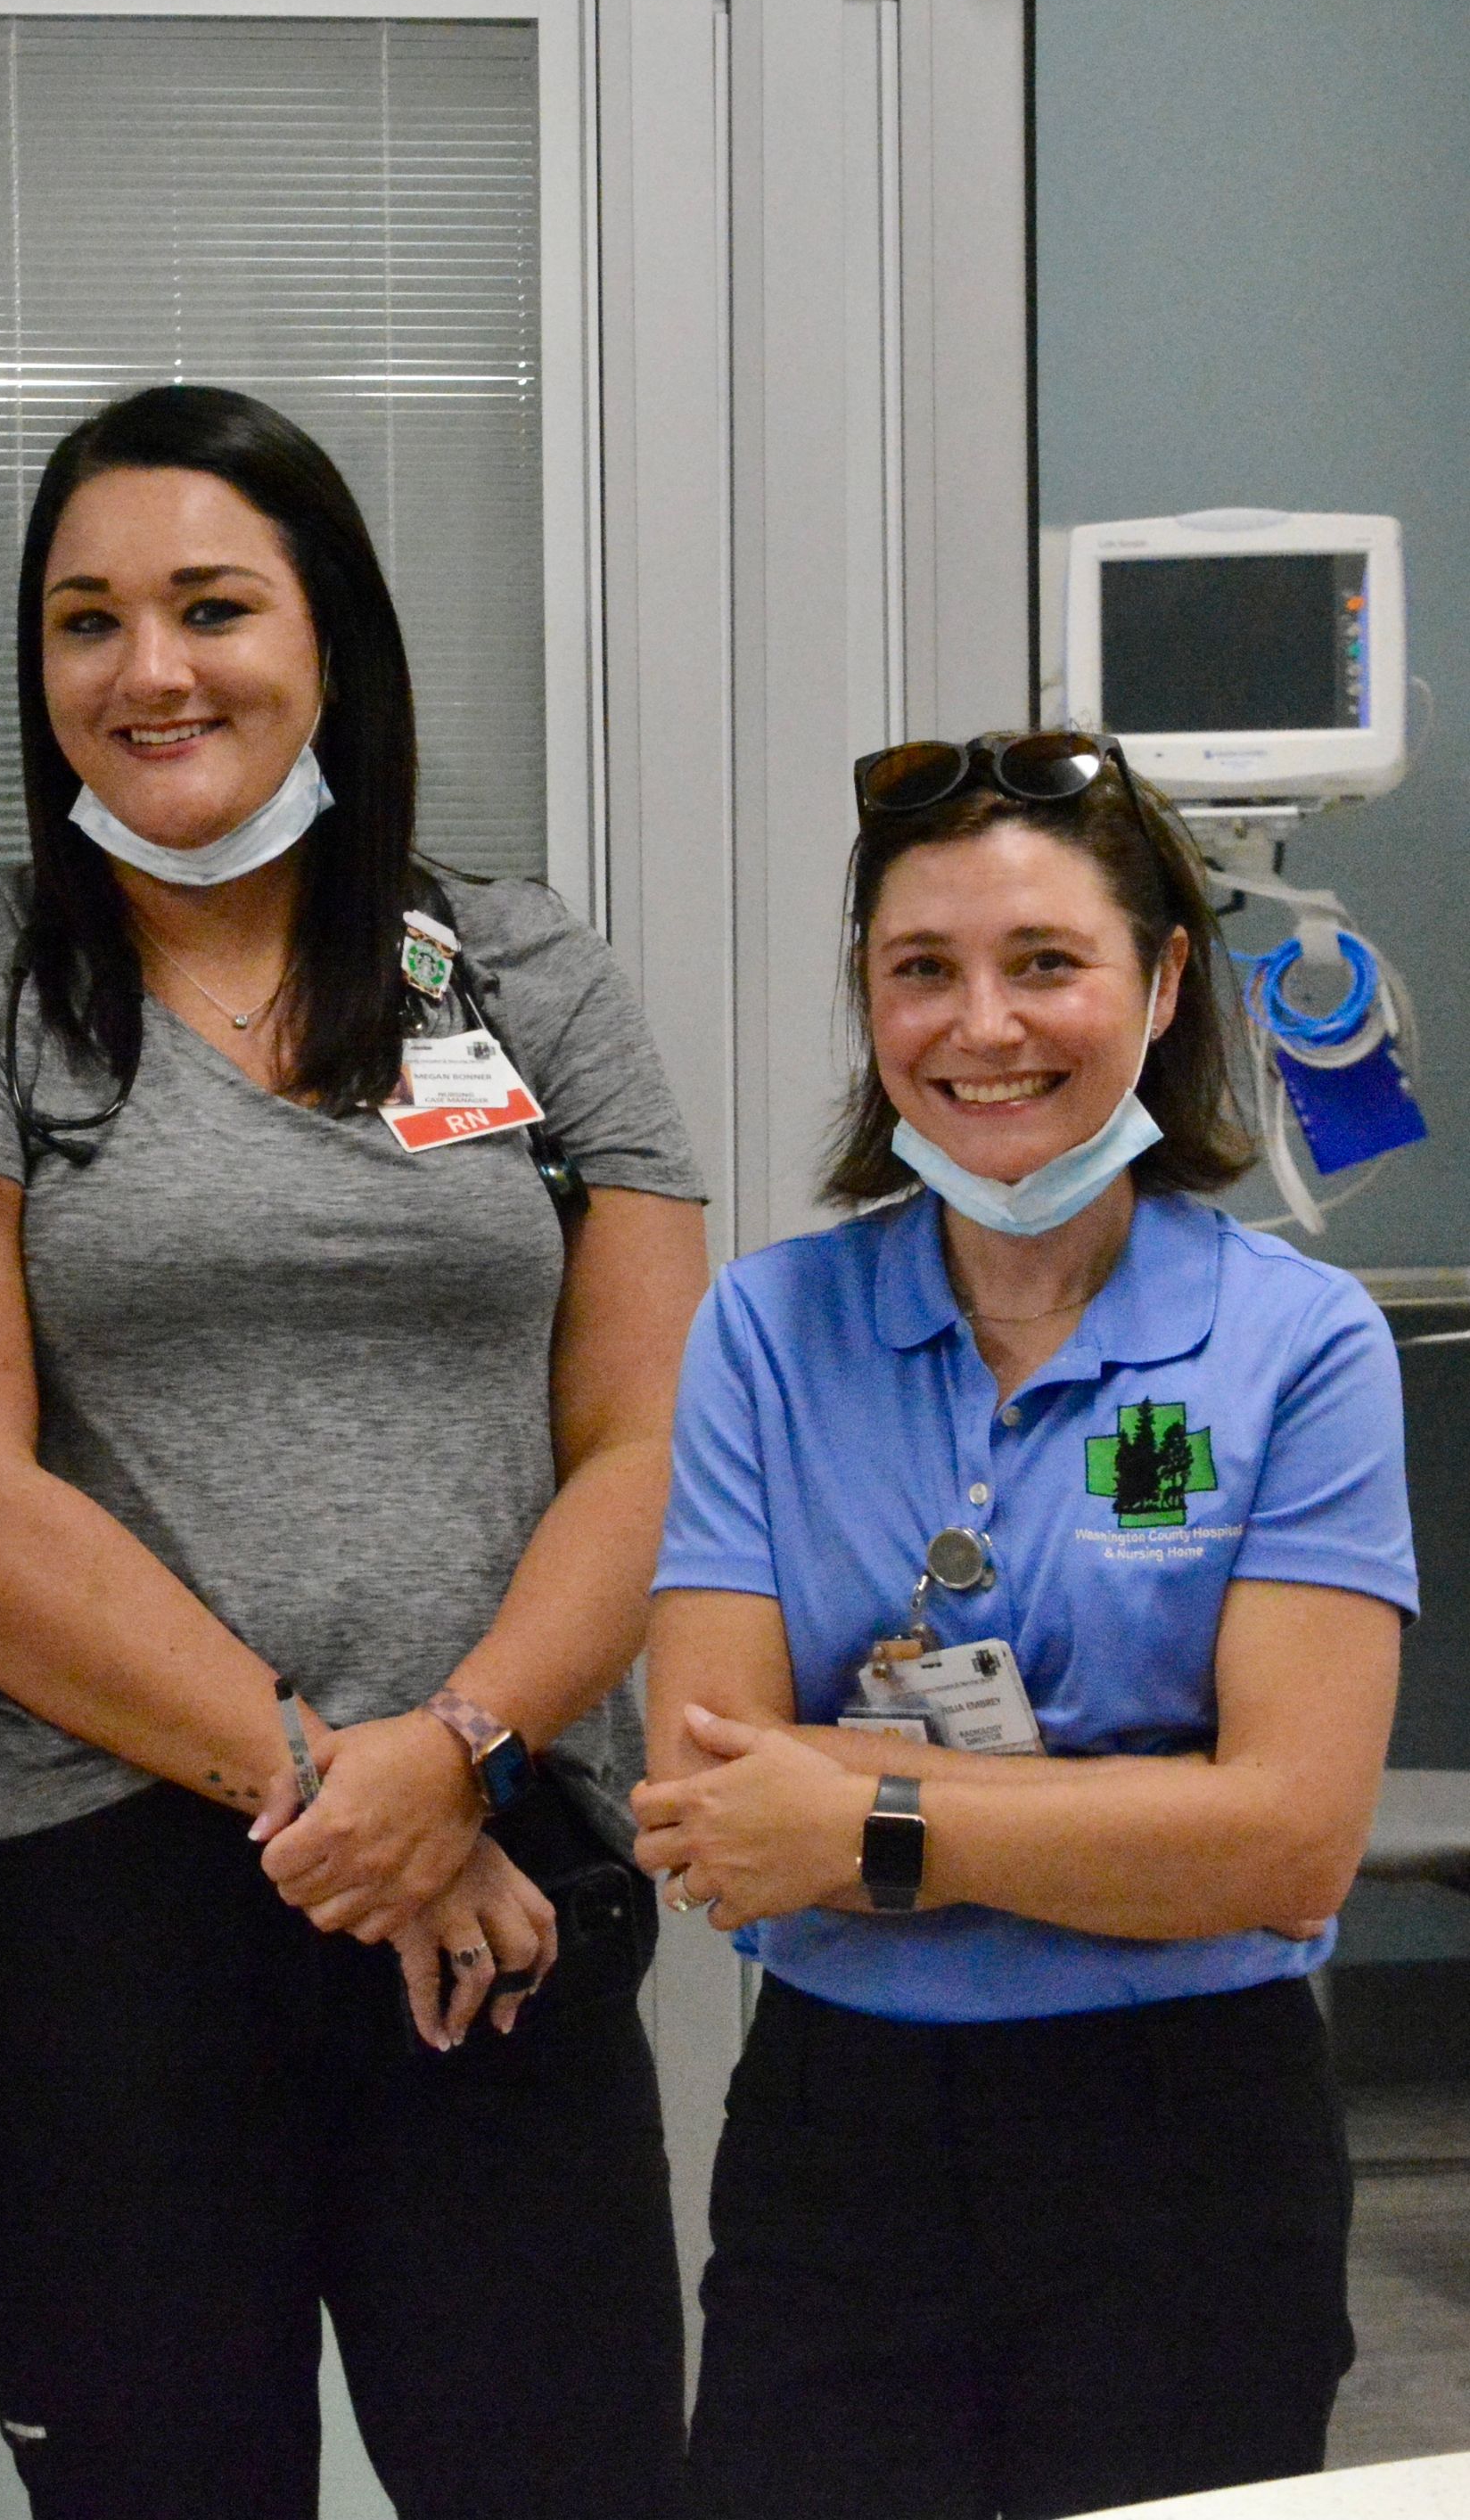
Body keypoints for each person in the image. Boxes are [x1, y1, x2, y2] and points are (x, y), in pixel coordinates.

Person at [0, 384, 711, 2520]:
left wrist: (462, 1750)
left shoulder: (521, 971)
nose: (150, 671)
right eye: (86, 622)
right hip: (105, 1918)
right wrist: (342, 1788)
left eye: (213, 604)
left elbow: (655, 1442)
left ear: (333, 643)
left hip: (504, 1883)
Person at [631, 729, 1417, 2520]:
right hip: (844, 2136)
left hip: (1190, 2140)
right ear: (871, 1003)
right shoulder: (770, 1328)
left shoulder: (1298, 1347)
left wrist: (872, 1812)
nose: (982, 1025)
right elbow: (714, 1805)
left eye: (1045, 963)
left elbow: (1293, 1834)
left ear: (1159, 984)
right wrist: (1145, 1814)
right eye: (924, 970)